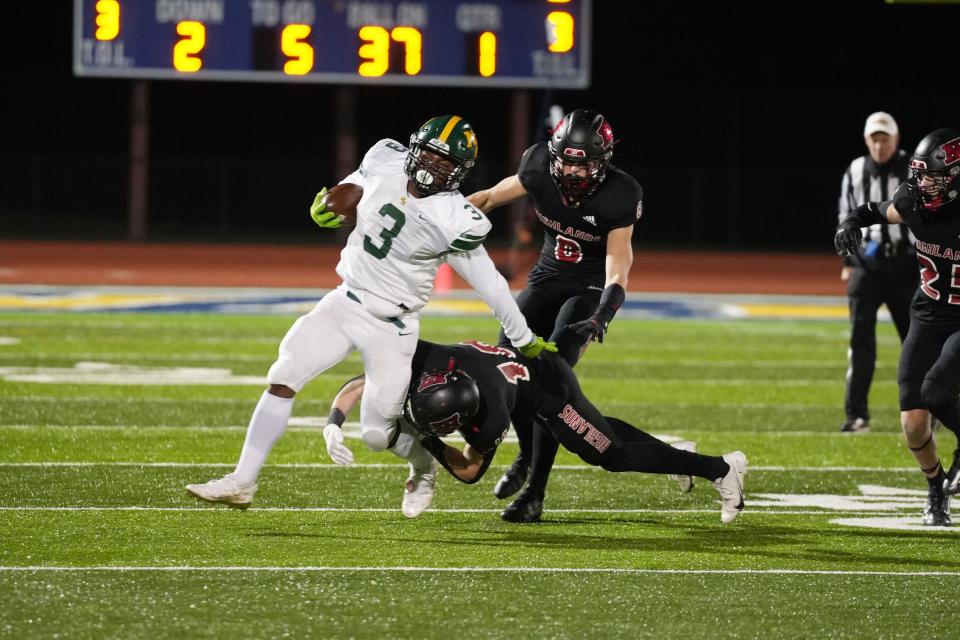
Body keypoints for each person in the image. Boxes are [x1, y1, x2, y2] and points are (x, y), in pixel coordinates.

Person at [186, 115, 555, 518]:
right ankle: (243, 479)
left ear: (460, 173)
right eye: (431, 155)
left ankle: (422, 467)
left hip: (393, 326)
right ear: (415, 148)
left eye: (446, 164)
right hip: (345, 300)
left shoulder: (455, 217)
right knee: (285, 371)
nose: (434, 167)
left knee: (378, 434)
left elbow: (491, 286)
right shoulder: (385, 158)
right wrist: (326, 208)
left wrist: (522, 338)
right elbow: (351, 189)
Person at [322, 338, 748, 524]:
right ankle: (673, 454)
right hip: (521, 375)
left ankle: (718, 468)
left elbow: (470, 472)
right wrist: (333, 423)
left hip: (551, 390)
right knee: (603, 432)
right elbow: (362, 382)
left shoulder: (490, 415)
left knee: (609, 454)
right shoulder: (427, 358)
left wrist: (428, 439)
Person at [466, 108, 644, 522]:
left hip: (587, 289)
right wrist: (433, 225)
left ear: (603, 161)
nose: (573, 171)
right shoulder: (537, 167)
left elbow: (619, 265)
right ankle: (526, 456)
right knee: (506, 367)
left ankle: (535, 492)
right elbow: (488, 198)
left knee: (551, 382)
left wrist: (603, 315)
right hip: (546, 279)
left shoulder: (621, 193)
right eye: (567, 159)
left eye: (584, 163)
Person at [835, 127, 960, 527]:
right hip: (928, 311)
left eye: (934, 177)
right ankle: (936, 488)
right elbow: (876, 209)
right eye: (920, 174)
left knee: (936, 391)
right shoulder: (914, 200)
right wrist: (851, 220)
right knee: (912, 423)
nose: (923, 185)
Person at [837, 112, 915, 433]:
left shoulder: (914, 168)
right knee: (861, 343)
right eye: (875, 139)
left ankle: (929, 408)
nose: (880, 145)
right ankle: (857, 415)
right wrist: (848, 262)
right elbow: (844, 216)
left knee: (917, 343)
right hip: (866, 268)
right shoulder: (855, 170)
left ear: (896, 140)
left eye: (885, 138)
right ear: (867, 140)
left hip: (907, 266)